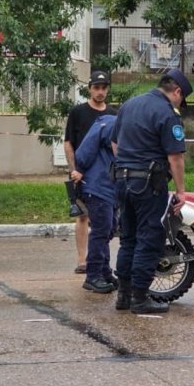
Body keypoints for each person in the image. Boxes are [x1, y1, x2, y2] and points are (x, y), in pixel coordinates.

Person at [112, 69, 192, 314]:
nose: (179, 105)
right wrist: (181, 191)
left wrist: (129, 163)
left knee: (128, 238)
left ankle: (123, 295)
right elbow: (175, 157)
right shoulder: (167, 113)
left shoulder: (129, 105)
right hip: (148, 184)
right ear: (177, 91)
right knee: (149, 238)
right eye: (181, 99)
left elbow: (114, 143)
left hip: (121, 179)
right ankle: (140, 297)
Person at [64, 70, 115, 275]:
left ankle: (101, 263)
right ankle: (82, 260)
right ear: (90, 89)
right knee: (83, 215)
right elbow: (68, 143)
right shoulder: (78, 112)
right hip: (82, 173)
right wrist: (74, 170)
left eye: (104, 88)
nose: (100, 92)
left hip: (103, 176)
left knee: (104, 221)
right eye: (96, 88)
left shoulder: (113, 114)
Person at [75, 114, 119, 294]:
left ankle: (104, 272)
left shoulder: (112, 123)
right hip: (98, 186)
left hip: (107, 187)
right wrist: (79, 168)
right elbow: (85, 150)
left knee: (108, 229)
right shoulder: (111, 124)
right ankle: (93, 276)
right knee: (101, 231)